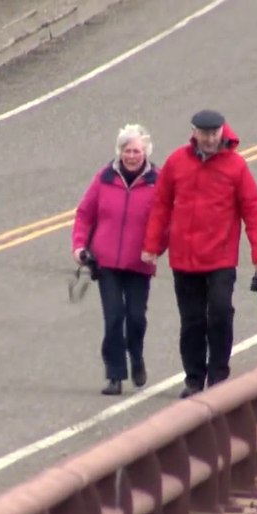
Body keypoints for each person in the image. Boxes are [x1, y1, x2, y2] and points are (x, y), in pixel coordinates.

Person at [140, 110, 257, 399]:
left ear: (222, 132)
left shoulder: (236, 166)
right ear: (194, 133)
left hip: (220, 258)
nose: (210, 139)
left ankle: (219, 375)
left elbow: (252, 209)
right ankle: (194, 378)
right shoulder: (177, 162)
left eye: (214, 133)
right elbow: (161, 205)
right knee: (192, 320)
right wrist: (151, 246)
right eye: (204, 133)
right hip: (184, 258)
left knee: (220, 313)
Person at [72, 124, 161, 396]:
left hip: (139, 262)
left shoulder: (158, 181)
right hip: (106, 262)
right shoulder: (104, 178)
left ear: (145, 152)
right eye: (127, 150)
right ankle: (114, 375)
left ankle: (136, 356)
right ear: (119, 151)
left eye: (136, 150)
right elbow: (85, 213)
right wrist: (79, 246)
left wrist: (155, 248)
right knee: (113, 318)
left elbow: (166, 221)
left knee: (135, 318)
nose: (131, 155)